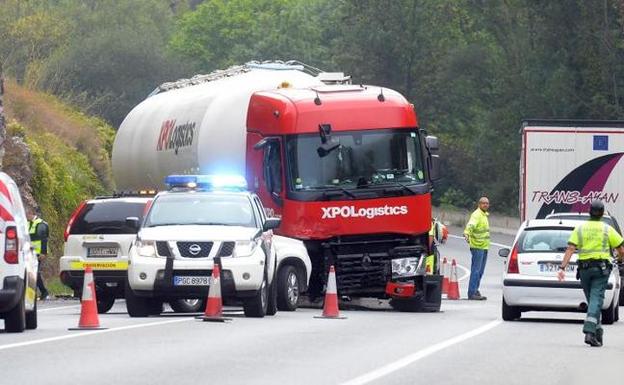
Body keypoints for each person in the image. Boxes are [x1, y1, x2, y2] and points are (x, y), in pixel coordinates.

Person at [557, 200, 624, 347]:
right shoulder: (607, 229)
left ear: (589, 212)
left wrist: (562, 268)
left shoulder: (580, 229)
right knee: (596, 300)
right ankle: (589, 331)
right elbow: (621, 250)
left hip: (584, 270)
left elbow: (570, 249)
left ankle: (597, 334)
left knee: (593, 300)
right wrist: (618, 260)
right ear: (602, 213)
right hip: (601, 270)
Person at [463, 197, 490, 300]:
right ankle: (472, 292)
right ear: (479, 204)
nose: (485, 205)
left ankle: (475, 289)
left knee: (480, 271)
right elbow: (471, 225)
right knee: (476, 270)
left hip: (484, 246)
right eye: (483, 203)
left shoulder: (484, 215)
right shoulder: (477, 215)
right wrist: (466, 233)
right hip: (477, 247)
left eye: (487, 203)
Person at [27, 208, 50, 300]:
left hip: (38, 253)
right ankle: (36, 293)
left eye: (28, 214)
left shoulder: (41, 224)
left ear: (32, 213)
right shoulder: (26, 223)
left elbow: (44, 239)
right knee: (31, 273)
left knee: (34, 273)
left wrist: (43, 253)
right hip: (28, 252)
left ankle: (43, 292)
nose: (26, 216)